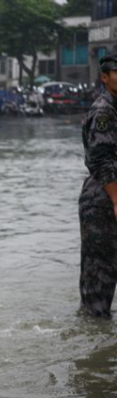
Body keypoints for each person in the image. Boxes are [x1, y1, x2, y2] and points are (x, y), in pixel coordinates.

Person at [78, 53, 117, 318]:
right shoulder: (104, 110)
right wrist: (116, 200)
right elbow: (100, 160)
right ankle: (93, 355)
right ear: (105, 77)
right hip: (104, 200)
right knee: (98, 293)